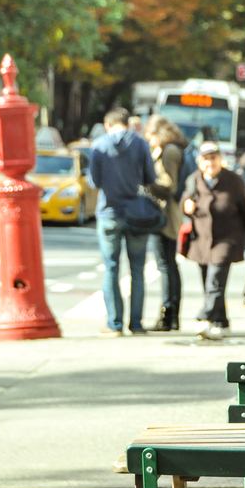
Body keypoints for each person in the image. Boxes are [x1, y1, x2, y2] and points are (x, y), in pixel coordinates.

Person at [182, 140, 245, 340]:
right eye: (206, 159)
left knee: (215, 282)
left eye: (214, 158)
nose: (210, 163)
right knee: (209, 285)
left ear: (221, 159)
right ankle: (221, 321)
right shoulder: (194, 180)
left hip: (227, 239)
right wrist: (187, 206)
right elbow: (185, 200)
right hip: (201, 242)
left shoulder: (233, 181)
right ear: (200, 162)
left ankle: (204, 316)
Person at [89, 108, 156, 337]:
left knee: (111, 268)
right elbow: (150, 177)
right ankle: (136, 324)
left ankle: (114, 324)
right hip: (137, 213)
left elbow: (94, 181)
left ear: (108, 124)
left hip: (109, 213)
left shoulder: (98, 145)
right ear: (127, 123)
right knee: (137, 270)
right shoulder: (140, 144)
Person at [144, 115, 187, 332]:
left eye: (149, 135)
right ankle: (171, 314)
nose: (148, 140)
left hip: (166, 215)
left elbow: (169, 184)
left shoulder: (169, 151)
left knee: (166, 265)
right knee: (169, 264)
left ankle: (168, 315)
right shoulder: (173, 148)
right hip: (169, 213)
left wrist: (147, 183)